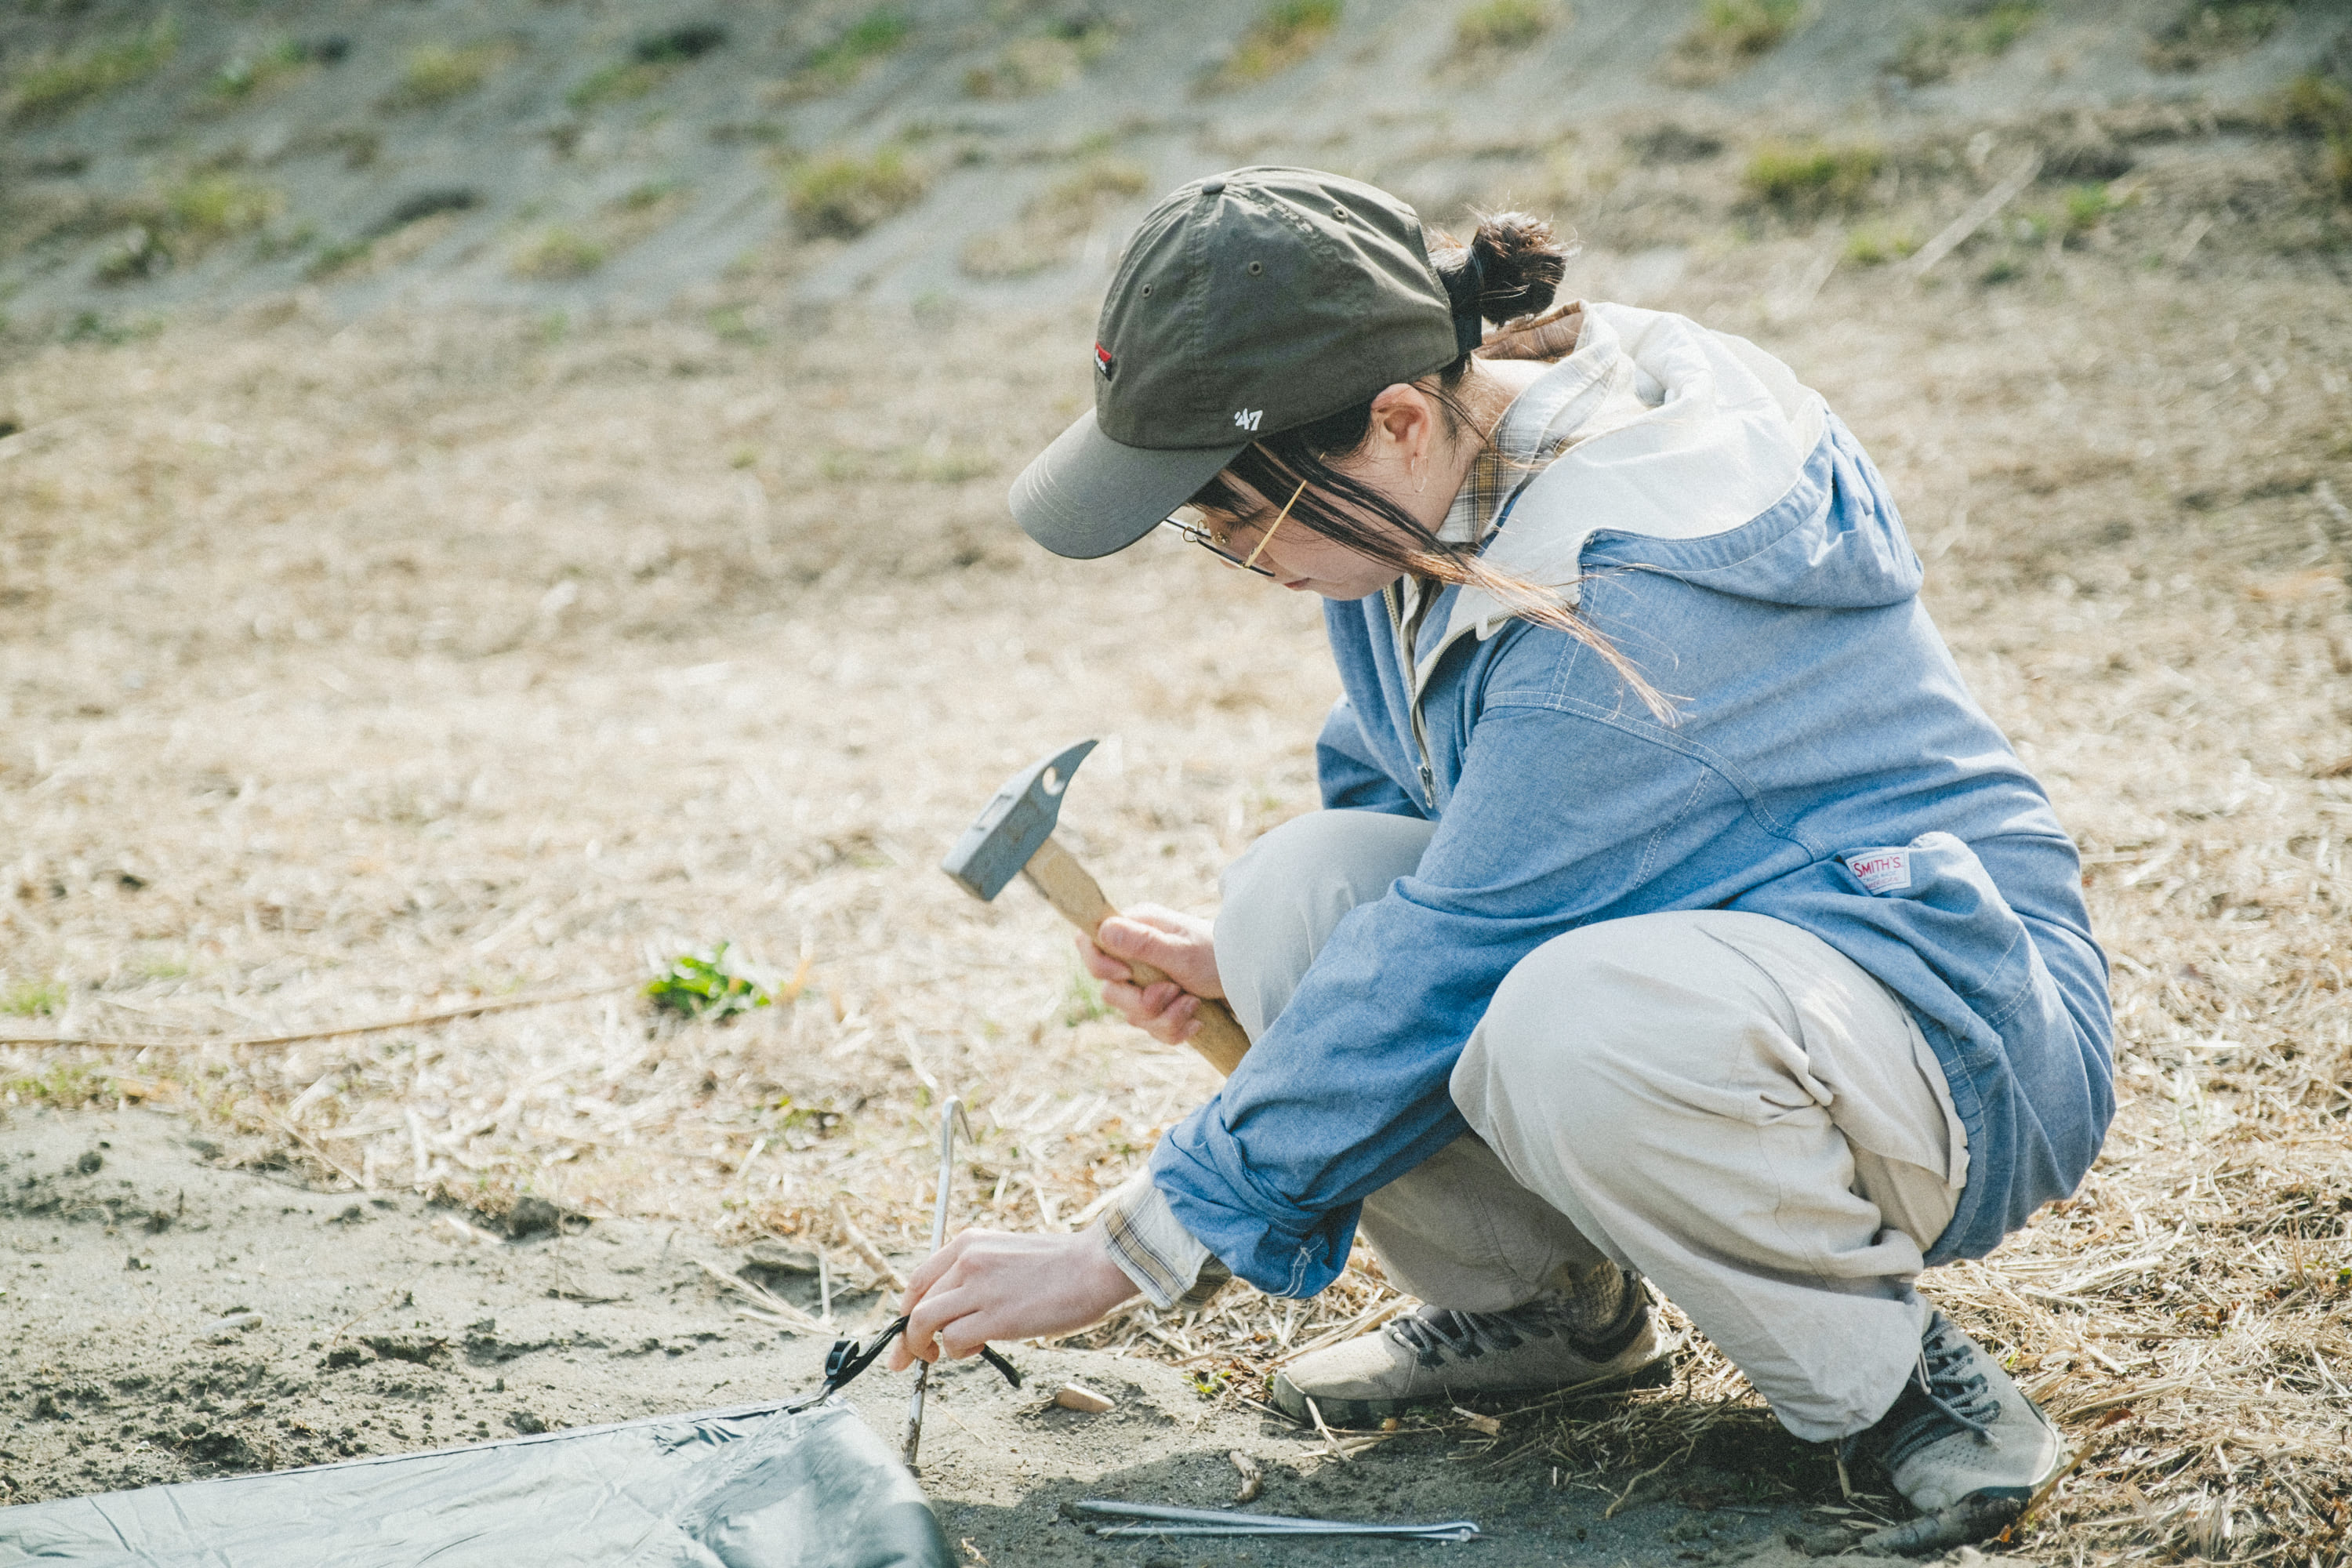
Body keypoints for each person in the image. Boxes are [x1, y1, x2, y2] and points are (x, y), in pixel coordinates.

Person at [887, 166, 2114, 1538]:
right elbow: (1412, 812)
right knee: (1297, 893)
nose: (1225, 548)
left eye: (1229, 516)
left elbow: (1445, 959)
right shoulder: (1435, 481)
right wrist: (1245, 964)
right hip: (1723, 966)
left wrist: (1122, 1251)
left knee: (1563, 1023)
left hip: (1947, 1025)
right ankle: (1544, 1321)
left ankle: (1907, 1396)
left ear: (1396, 421)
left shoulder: (1622, 608)